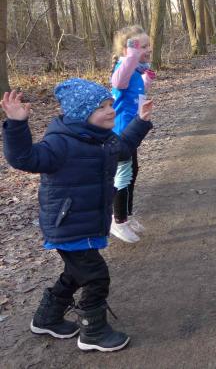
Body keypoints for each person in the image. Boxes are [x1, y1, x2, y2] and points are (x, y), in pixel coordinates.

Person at [1, 79, 153, 351]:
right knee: (96, 276)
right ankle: (93, 331)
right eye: (101, 107)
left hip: (89, 222)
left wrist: (140, 121)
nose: (110, 110)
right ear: (81, 114)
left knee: (75, 273)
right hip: (68, 224)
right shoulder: (60, 144)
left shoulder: (104, 139)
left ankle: (47, 318)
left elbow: (124, 150)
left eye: (110, 104)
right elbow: (23, 158)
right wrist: (17, 124)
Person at [109, 25, 155, 243]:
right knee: (123, 176)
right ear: (128, 51)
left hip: (132, 132)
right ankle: (117, 221)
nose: (148, 49)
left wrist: (147, 80)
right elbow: (118, 82)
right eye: (142, 46)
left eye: (147, 45)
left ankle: (126, 216)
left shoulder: (135, 72)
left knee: (132, 172)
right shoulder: (122, 68)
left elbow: (134, 93)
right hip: (120, 133)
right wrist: (132, 56)